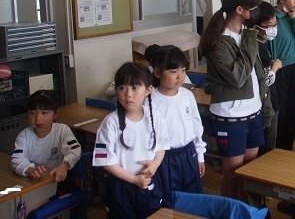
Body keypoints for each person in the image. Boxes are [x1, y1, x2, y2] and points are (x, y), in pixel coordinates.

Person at [200, 0, 273, 198]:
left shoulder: (245, 32)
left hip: (253, 111)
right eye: (253, 7)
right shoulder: (219, 40)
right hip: (231, 116)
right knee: (232, 172)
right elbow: (238, 77)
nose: (257, 11)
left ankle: (248, 209)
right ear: (240, 10)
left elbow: (256, 74)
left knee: (250, 169)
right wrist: (250, 41)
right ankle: (231, 209)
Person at [93, 62, 170, 218]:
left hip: (148, 180)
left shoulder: (155, 117)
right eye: (122, 88)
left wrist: (154, 165)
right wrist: (134, 179)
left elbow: (162, 146)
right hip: (121, 186)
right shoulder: (110, 122)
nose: (128, 94)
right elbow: (105, 161)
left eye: (134, 88)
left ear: (148, 90)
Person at [151, 45, 206, 207]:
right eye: (173, 71)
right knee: (170, 201)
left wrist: (200, 156)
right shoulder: (150, 101)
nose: (180, 76)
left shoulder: (187, 95)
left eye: (183, 70)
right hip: (164, 158)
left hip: (188, 154)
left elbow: (197, 127)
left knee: (193, 199)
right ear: (157, 72)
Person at [11, 90, 81, 185]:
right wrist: (29, 169)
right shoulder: (24, 136)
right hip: (34, 182)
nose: (38, 119)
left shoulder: (62, 130)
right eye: (32, 113)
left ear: (55, 114)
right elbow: (16, 159)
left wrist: (64, 165)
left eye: (44, 113)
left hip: (56, 179)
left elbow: (75, 150)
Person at [267, 0, 295, 150]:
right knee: (281, 114)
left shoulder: (293, 18)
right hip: (277, 69)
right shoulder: (272, 17)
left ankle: (287, 148)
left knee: (293, 114)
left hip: (291, 67)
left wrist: (294, 17)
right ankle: (278, 150)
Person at [250, 1, 283, 153]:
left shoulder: (261, 44)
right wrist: (275, 67)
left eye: (275, 25)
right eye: (269, 26)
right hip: (266, 104)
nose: (273, 29)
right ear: (255, 26)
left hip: (268, 102)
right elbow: (264, 81)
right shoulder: (256, 47)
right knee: (267, 148)